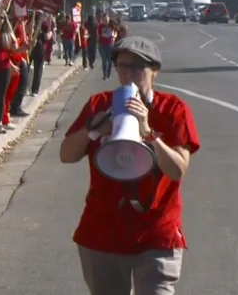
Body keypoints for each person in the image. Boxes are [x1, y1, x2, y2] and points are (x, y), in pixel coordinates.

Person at [58, 36, 200, 295]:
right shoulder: (99, 105)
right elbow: (66, 155)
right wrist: (94, 131)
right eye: (122, 66)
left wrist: (148, 133)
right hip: (102, 234)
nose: (128, 74)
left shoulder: (173, 109)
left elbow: (177, 170)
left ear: (154, 71)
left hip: (156, 235)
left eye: (137, 68)